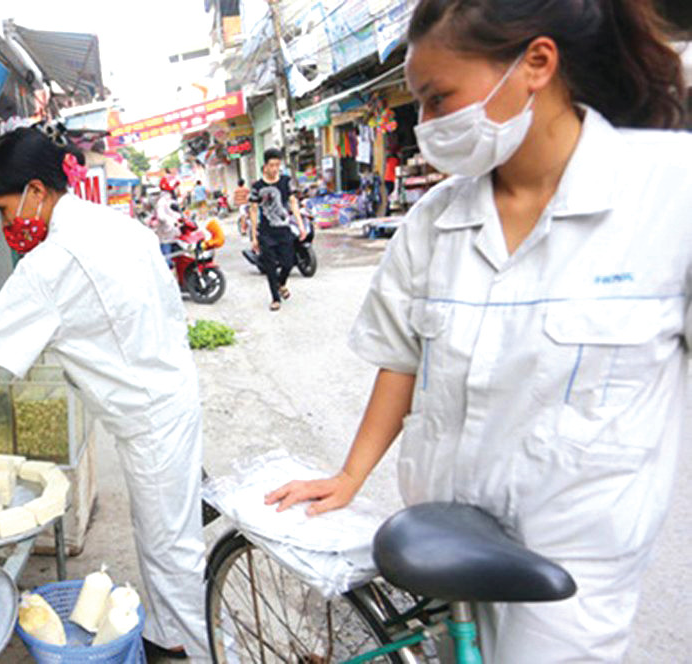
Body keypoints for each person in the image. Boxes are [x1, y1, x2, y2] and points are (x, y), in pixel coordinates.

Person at [265, 0, 689, 660]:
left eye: (439, 99)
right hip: (445, 542)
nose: (427, 125)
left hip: (572, 568)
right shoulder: (433, 221)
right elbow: (400, 360)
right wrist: (349, 476)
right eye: (421, 104)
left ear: (536, 65)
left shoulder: (669, 192)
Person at [0, 127, 208, 660]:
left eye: (3, 209)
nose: (5, 223)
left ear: (36, 192)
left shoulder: (55, 262)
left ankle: (202, 650)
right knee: (161, 537)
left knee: (171, 549)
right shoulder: (114, 224)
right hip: (167, 393)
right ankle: (166, 635)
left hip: (153, 416)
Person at [249, 147, 307, 311]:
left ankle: (281, 284)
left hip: (284, 229)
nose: (275, 169)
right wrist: (254, 237)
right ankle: (275, 299)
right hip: (266, 233)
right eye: (272, 165)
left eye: (278, 165)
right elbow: (253, 211)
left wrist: (301, 226)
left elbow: (293, 203)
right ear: (265, 166)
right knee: (270, 267)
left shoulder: (285, 181)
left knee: (288, 262)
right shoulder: (257, 186)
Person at [153, 176, 184, 256]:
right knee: (168, 261)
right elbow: (161, 216)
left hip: (174, 235)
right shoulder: (162, 201)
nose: (178, 189)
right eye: (176, 187)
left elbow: (174, 212)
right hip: (166, 237)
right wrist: (171, 221)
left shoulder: (170, 200)